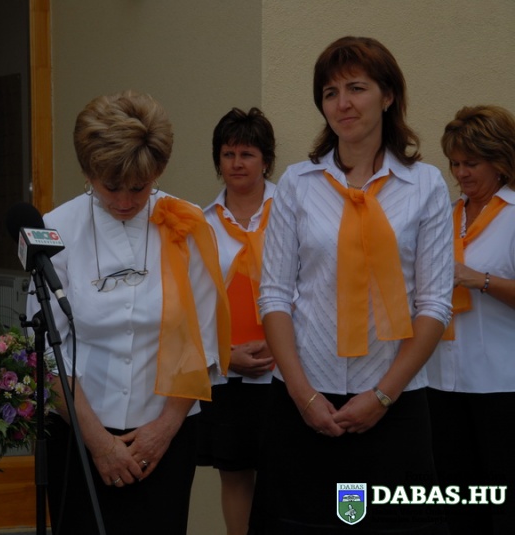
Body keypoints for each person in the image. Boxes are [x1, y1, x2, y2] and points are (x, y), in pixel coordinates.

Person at [251, 36, 453, 533]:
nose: (342, 103)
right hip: (303, 400)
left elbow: (434, 304)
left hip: (395, 401)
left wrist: (382, 396)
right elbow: (274, 294)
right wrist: (303, 395)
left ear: (388, 95)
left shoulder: (425, 185)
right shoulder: (298, 184)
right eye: (330, 92)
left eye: (357, 88)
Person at [28, 90, 230, 535]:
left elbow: (202, 340)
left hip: (167, 436)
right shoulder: (54, 230)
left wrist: (164, 429)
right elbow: (44, 352)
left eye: (138, 188)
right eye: (110, 187)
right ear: (88, 173)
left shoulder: (187, 225)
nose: (124, 201)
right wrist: (98, 442)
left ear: (157, 172)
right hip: (79, 435)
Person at [426, 105, 515, 534]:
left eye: (471, 163)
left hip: (502, 385)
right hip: (442, 383)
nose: (460, 173)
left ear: (500, 161)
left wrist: (479, 280)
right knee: (458, 506)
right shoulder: (446, 216)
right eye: (454, 163)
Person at [195, 107, 276, 535]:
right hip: (227, 372)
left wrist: (280, 348)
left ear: (266, 160)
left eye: (247, 153)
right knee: (235, 473)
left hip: (289, 370)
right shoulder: (201, 223)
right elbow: (193, 302)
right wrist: (225, 355)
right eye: (228, 154)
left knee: (287, 474)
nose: (237, 163)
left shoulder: (293, 211)